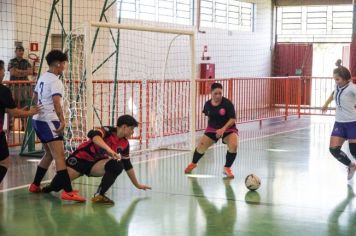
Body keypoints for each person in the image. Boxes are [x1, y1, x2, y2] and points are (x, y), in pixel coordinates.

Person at [41, 115, 151, 204]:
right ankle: (47, 187)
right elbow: (93, 135)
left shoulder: (125, 143)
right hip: (80, 160)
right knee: (56, 186)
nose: (132, 132)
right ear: (124, 127)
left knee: (117, 165)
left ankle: (100, 194)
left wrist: (137, 185)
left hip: (95, 164)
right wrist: (109, 150)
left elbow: (128, 165)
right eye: (131, 129)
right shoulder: (107, 130)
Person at [28, 50, 86, 202]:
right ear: (59, 64)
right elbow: (56, 103)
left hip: (37, 120)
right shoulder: (55, 81)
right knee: (59, 156)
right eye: (64, 64)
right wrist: (62, 121)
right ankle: (67, 191)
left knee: (49, 154)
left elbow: (34, 97)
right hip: (49, 120)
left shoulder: (43, 77)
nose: (64, 67)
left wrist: (40, 109)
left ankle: (35, 185)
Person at [184, 82, 238, 178]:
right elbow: (209, 117)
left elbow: (233, 119)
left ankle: (227, 168)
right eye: (215, 93)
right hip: (213, 128)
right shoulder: (207, 104)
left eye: (220, 93)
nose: (218, 96)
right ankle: (193, 163)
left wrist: (222, 129)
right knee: (201, 147)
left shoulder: (227, 103)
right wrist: (212, 131)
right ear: (211, 93)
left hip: (228, 128)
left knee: (234, 145)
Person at [0, 60, 40, 184]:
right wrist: (30, 113)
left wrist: (19, 110)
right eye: (3, 70)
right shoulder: (3, 90)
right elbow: (14, 113)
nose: (4, 74)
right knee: (4, 162)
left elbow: (6, 108)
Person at [322, 59, 356, 180]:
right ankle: (351, 166)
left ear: (346, 79)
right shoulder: (337, 87)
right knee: (334, 150)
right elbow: (333, 94)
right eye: (334, 79)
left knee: (354, 151)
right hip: (339, 123)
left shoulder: (352, 88)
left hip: (353, 123)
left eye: (337, 79)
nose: (335, 81)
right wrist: (326, 103)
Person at [8, 45, 33, 130]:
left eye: (22, 50)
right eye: (19, 50)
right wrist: (24, 72)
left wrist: (18, 71)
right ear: (16, 52)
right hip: (14, 87)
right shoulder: (12, 61)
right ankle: (10, 126)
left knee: (25, 106)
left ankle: (24, 126)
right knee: (12, 105)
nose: (21, 52)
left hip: (24, 88)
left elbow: (30, 72)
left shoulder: (26, 61)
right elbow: (12, 73)